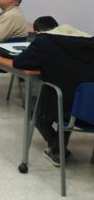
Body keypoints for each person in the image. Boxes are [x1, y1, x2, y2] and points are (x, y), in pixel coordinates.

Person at [14, 22, 94, 166]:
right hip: (89, 111)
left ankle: (57, 149)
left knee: (35, 103)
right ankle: (57, 148)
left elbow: (19, 62)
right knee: (72, 97)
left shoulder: (45, 42)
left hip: (65, 110)